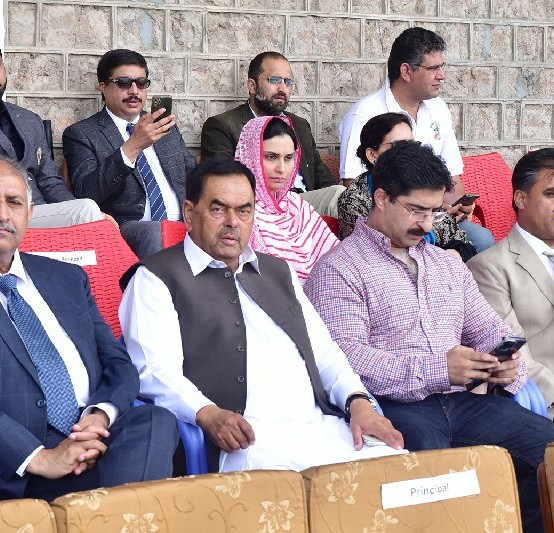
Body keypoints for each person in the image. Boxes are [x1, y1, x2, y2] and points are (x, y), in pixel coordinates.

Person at [305, 141, 554, 532]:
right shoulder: (339, 269)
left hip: (465, 403)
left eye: (434, 212)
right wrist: (439, 369)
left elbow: (489, 328)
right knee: (438, 484)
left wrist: (506, 365)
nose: (426, 224)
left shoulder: (446, 264)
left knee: (549, 455)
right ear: (381, 198)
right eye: (416, 210)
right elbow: (347, 359)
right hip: (391, 407)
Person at [119, 157, 405, 474]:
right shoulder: (156, 278)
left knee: (401, 475)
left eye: (244, 211)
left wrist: (358, 401)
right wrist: (208, 413)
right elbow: (153, 370)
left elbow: (323, 351)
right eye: (218, 209)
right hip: (247, 442)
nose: (233, 222)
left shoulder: (278, 271)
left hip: (322, 428)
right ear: (189, 213)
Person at [0, 156, 178, 501]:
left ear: (30, 213)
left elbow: (117, 362)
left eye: (14, 202)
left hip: (92, 440)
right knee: (131, 500)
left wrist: (99, 416)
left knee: (154, 420)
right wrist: (41, 458)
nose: (3, 214)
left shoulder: (65, 278)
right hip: (19, 468)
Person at [339, 27, 494, 252]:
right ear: (406, 71)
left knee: (481, 241)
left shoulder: (439, 109)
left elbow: (452, 177)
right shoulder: (364, 113)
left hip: (436, 216)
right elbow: (352, 185)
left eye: (441, 66)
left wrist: (457, 206)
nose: (442, 75)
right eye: (433, 68)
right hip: (394, 222)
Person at [63, 49, 196, 259]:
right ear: (103, 87)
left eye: (141, 83)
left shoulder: (163, 127)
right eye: (124, 83)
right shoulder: (82, 134)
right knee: (156, 231)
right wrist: (132, 147)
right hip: (130, 227)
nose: (134, 91)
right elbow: (85, 195)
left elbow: (193, 176)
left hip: (185, 221)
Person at [201, 51, 344, 217]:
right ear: (252, 86)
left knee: (344, 196)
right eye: (274, 80)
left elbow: (323, 179)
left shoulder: (300, 125)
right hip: (260, 208)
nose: (282, 89)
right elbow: (222, 184)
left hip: (306, 204)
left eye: (288, 82)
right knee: (338, 196)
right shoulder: (222, 126)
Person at [468, 148, 554, 417]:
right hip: (545, 403)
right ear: (521, 198)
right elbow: (516, 358)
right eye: (551, 194)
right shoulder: (489, 267)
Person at [338, 112, 475, 260]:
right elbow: (370, 254)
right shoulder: (354, 199)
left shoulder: (421, 185)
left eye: (411, 145)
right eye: (398, 145)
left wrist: (456, 253)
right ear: (372, 154)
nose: (407, 152)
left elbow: (462, 243)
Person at [0, 49, 103, 228]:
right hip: (6, 212)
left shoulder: (29, 120)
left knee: (88, 212)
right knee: (86, 211)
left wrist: (74, 208)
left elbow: (50, 181)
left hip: (38, 212)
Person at [235, 116, 338, 285]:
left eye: (288, 158)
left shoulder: (296, 205)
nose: (281, 169)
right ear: (250, 156)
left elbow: (334, 257)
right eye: (271, 157)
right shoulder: (238, 210)